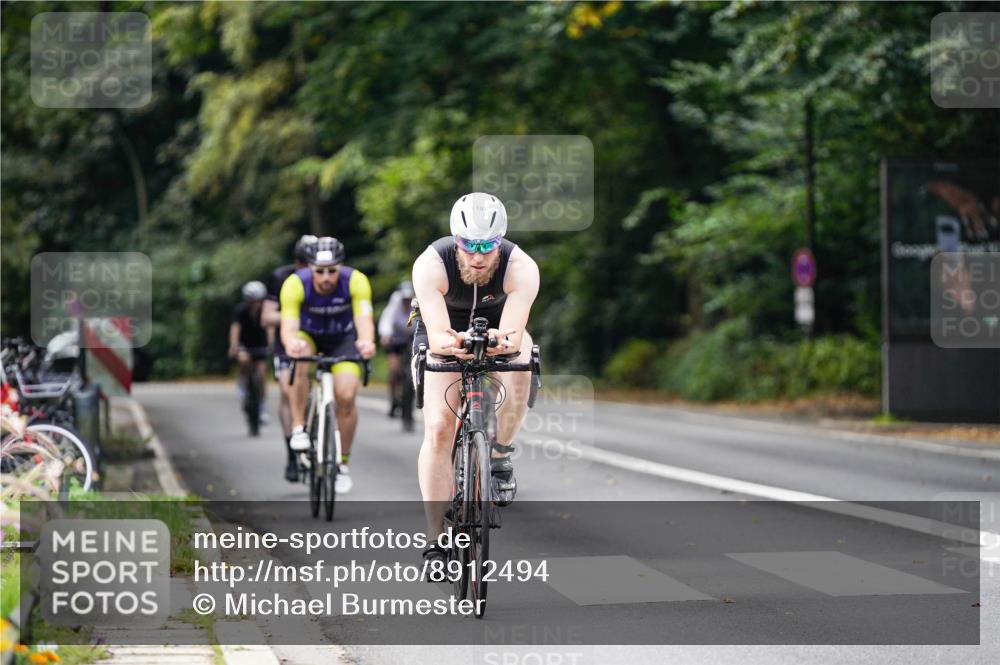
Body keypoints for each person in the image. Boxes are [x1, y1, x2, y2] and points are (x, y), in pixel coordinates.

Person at [409, 192, 539, 568]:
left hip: (498, 326)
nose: (478, 256)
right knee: (439, 427)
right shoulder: (431, 264)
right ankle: (436, 538)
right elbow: (436, 336)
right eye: (468, 246)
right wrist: (453, 343)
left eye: (487, 245)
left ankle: (499, 454)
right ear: (455, 240)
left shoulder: (521, 267)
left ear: (500, 241)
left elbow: (513, 335)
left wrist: (502, 342)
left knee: (524, 361)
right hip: (445, 330)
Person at [279, 237, 376, 494]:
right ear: (309, 268)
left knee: (346, 396)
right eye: (319, 271)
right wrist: (290, 343)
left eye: (332, 271)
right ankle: (299, 427)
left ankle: (342, 463)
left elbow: (363, 317)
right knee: (299, 360)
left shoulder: (355, 280)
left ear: (340, 267)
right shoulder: (295, 283)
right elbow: (288, 324)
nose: (325, 278)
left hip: (343, 339)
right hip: (308, 336)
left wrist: (366, 342)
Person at [262, 234, 317, 482]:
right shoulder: (281, 278)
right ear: (296, 263)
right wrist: (292, 314)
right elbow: (267, 317)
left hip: (321, 336)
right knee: (287, 389)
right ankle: (292, 454)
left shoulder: (327, 277)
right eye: (305, 264)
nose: (311, 270)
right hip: (290, 340)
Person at [229, 281, 272, 426]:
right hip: (245, 346)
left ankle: (262, 406)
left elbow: (269, 330)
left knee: (261, 375)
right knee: (243, 360)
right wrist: (234, 346)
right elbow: (235, 329)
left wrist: (271, 346)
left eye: (257, 301)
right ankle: (243, 383)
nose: (254, 304)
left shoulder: (265, 311)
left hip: (261, 346)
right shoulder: (241, 311)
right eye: (251, 301)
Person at [378, 280, 416, 430]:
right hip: (394, 340)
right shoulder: (394, 304)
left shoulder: (416, 304)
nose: (406, 302)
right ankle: (393, 398)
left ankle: (408, 407)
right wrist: (385, 335)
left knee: (411, 373)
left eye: (408, 299)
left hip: (409, 341)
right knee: (394, 370)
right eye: (404, 299)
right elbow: (386, 321)